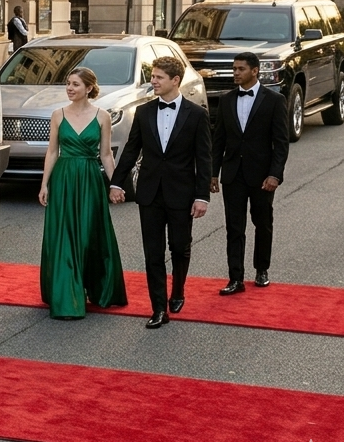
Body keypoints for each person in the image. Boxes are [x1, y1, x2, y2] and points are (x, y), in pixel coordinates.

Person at [110, 56, 212, 329]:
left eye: (158, 77)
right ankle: (158, 309)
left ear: (175, 80)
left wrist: (202, 196)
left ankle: (178, 290)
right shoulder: (143, 112)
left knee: (179, 246)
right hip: (150, 193)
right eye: (152, 76)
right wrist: (116, 183)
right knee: (152, 253)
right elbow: (131, 150)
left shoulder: (196, 114)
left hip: (182, 193)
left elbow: (204, 159)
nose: (153, 81)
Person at [38, 67, 127, 318]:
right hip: (63, 179)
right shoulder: (58, 115)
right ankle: (67, 297)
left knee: (90, 235)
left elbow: (106, 155)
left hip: (89, 179)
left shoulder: (103, 116)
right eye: (68, 83)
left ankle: (97, 288)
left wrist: (115, 184)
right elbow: (52, 151)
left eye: (75, 84)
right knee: (64, 237)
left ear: (88, 88)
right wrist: (44, 184)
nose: (69, 88)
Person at [211, 51, 290, 294]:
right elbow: (219, 139)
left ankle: (262, 269)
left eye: (241, 69)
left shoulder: (274, 100)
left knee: (262, 224)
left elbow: (281, 142)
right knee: (234, 227)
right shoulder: (226, 100)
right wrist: (213, 173)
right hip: (233, 174)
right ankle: (235, 278)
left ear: (255, 71)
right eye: (234, 68)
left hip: (262, 176)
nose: (235, 73)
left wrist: (275, 174)